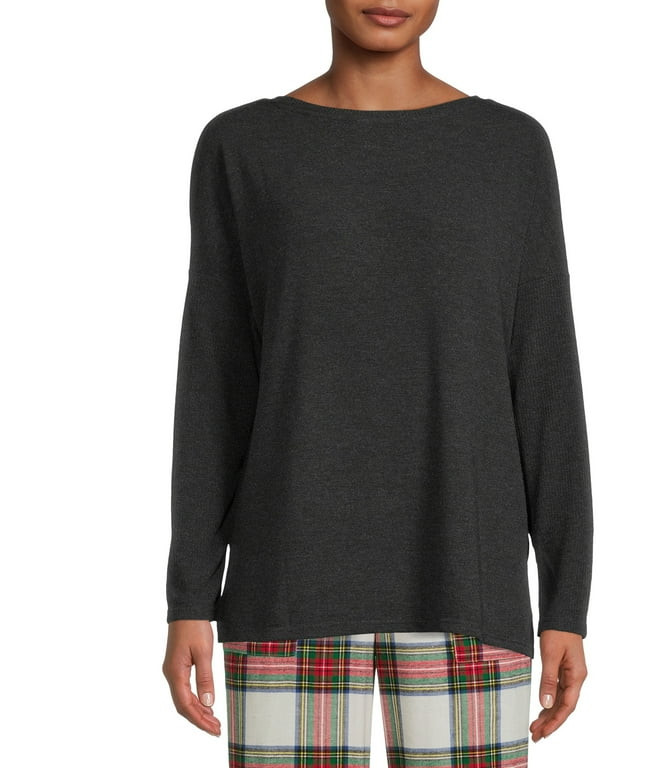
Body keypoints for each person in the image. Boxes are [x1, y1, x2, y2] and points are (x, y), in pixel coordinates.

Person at [162, 1, 594, 765]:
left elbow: (547, 379)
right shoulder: (243, 146)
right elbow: (214, 383)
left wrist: (567, 602)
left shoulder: (509, 148)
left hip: (469, 584)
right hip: (284, 582)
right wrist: (190, 595)